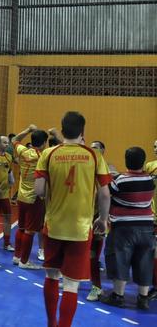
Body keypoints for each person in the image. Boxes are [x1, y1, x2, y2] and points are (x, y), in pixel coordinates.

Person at [34, 111, 111, 327]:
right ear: (82, 131)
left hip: (54, 225)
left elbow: (38, 190)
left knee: (51, 276)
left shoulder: (48, 154)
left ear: (62, 129)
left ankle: (51, 323)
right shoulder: (94, 156)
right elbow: (105, 194)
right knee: (71, 285)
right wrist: (103, 219)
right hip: (81, 229)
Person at [101, 147, 155, 310]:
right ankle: (143, 298)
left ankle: (118, 296)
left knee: (120, 259)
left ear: (126, 161)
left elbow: (106, 193)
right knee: (145, 261)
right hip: (147, 227)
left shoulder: (121, 180)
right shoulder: (149, 180)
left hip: (123, 228)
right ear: (143, 162)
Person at [11, 124, 50, 269]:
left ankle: (17, 257)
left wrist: (28, 129)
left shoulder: (23, 151)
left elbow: (15, 139)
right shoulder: (43, 156)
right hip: (35, 197)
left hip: (21, 195)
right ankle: (24, 261)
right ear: (44, 143)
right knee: (30, 231)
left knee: (21, 228)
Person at [86, 140, 118, 301]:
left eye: (96, 148)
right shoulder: (85, 166)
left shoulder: (108, 168)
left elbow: (108, 192)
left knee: (93, 255)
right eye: (91, 148)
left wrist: (104, 217)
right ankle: (72, 279)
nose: (93, 150)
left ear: (103, 151)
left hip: (98, 217)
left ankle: (97, 287)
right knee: (75, 251)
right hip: (81, 215)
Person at [144, 139, 157, 300]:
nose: (156, 149)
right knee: (152, 253)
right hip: (152, 216)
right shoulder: (149, 166)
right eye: (154, 146)